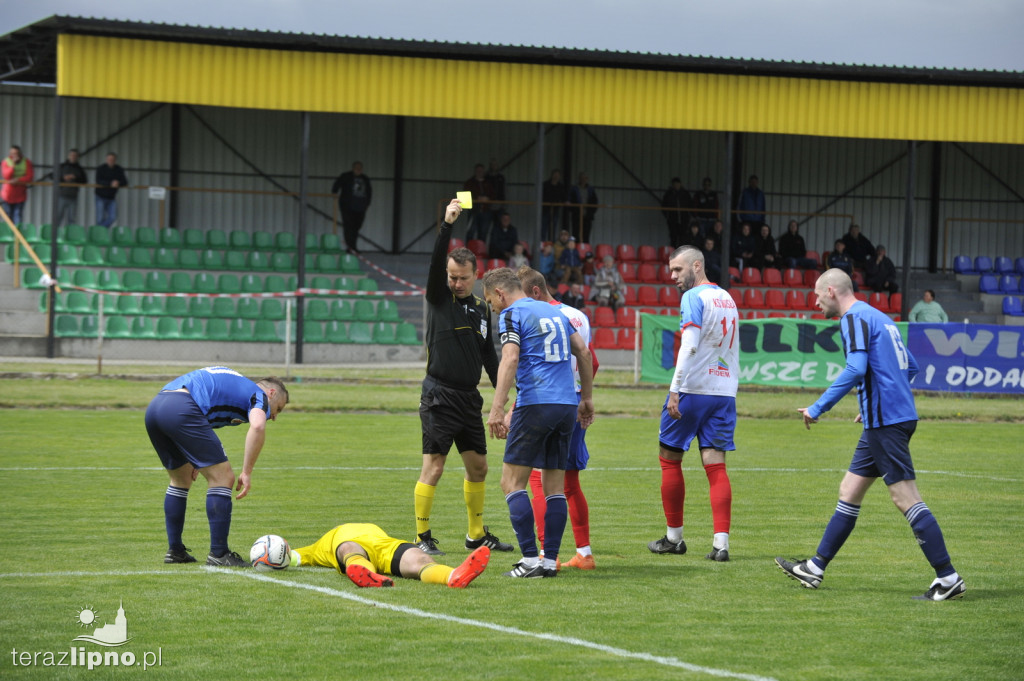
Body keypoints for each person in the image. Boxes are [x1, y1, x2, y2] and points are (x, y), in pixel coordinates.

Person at [777, 269, 964, 601]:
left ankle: (948, 577)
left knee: (905, 497)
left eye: (817, 294)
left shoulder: (851, 319)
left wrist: (818, 407)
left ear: (832, 291)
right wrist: (876, 398)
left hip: (887, 421)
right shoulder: (880, 318)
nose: (815, 301)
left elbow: (855, 369)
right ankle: (815, 567)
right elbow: (910, 365)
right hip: (887, 417)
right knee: (849, 489)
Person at [414, 198, 513, 557]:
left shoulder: (482, 308)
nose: (455, 282)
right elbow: (436, 262)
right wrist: (447, 224)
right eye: (451, 276)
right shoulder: (439, 298)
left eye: (462, 278)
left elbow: (489, 356)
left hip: (469, 398)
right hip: (439, 395)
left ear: (476, 276)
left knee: (479, 467)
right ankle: (422, 536)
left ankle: (475, 535)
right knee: (435, 467)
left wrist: (504, 397)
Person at [482, 267, 595, 578]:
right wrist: (586, 398)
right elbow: (583, 352)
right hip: (566, 407)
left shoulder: (511, 314)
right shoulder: (555, 312)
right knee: (554, 488)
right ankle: (549, 562)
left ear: (501, 294)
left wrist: (497, 407)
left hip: (535, 403)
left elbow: (510, 358)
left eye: (491, 300)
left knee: (511, 483)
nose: (492, 308)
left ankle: (530, 559)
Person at [145, 366, 289, 567]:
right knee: (223, 478)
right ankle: (219, 553)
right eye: (278, 409)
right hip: (183, 407)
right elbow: (257, 426)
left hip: (156, 407)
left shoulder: (236, 385)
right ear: (271, 394)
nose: (274, 416)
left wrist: (195, 458)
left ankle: (175, 550)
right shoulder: (259, 395)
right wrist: (246, 472)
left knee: (181, 479)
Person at [649, 246, 739, 562]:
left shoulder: (692, 298)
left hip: (693, 390)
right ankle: (721, 544)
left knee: (669, 460)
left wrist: (675, 390)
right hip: (724, 393)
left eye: (677, 270)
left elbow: (689, 345)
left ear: (696, 266)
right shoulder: (727, 298)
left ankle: (674, 538)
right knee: (716, 465)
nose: (672, 277)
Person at [516, 266, 600, 570]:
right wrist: (586, 397)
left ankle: (542, 552)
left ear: (535, 292)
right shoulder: (579, 316)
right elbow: (591, 358)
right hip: (575, 403)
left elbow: (531, 365)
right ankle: (585, 553)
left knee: (539, 479)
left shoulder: (534, 317)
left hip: (547, 402)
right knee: (571, 482)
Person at [290, 522, 489, 589]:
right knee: (348, 549)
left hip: (383, 545)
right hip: (355, 547)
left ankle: (452, 575)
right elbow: (289, 556)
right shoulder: (316, 548)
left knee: (419, 557)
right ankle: (367, 574)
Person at [331, 161, 373, 254]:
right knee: (348, 227)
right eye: (357, 168)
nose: (358, 170)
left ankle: (353, 246)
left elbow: (369, 192)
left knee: (356, 227)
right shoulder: (346, 176)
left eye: (360, 168)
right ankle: (350, 248)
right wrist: (334, 192)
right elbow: (337, 185)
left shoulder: (365, 179)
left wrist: (367, 204)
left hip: (361, 207)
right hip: (347, 206)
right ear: (353, 168)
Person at [463, 163, 496, 243]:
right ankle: (467, 252)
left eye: (481, 171)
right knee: (470, 232)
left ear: (484, 172)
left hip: (486, 211)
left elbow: (494, 195)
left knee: (483, 233)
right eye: (478, 171)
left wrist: (487, 199)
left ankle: (481, 252)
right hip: (474, 211)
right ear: (475, 171)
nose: (479, 172)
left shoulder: (489, 183)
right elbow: (464, 197)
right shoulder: (469, 182)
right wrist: (476, 199)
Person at [1, 145, 34, 224]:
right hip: (8, 195)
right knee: (8, 216)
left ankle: (16, 235)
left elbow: (29, 177)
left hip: (20, 195)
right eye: (12, 154)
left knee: (18, 215)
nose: (14, 156)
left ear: (20, 154)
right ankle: (8, 235)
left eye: (16, 153)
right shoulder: (6, 162)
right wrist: (13, 165)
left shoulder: (26, 162)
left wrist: (18, 180)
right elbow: (6, 176)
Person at [95, 152, 128, 228]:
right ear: (106, 160)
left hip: (111, 197)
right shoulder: (101, 169)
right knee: (99, 219)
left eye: (112, 159)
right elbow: (98, 181)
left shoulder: (119, 169)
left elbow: (125, 182)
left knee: (113, 217)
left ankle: (100, 230)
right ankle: (100, 235)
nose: (111, 161)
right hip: (100, 196)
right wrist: (110, 183)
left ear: (115, 160)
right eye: (109, 159)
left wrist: (118, 183)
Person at [56, 148, 88, 227]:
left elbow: (84, 181)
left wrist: (75, 177)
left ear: (77, 157)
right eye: (72, 155)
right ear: (69, 156)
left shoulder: (79, 168)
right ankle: (55, 236)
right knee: (58, 217)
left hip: (73, 196)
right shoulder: (62, 166)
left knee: (72, 218)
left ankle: (70, 237)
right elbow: (53, 176)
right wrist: (63, 178)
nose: (73, 157)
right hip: (62, 195)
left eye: (75, 156)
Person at [661, 177, 692, 248]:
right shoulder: (669, 194)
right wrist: (667, 216)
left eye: (677, 184)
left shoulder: (685, 193)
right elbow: (664, 206)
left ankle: (681, 254)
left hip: (684, 219)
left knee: (683, 237)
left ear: (680, 184)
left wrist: (689, 216)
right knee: (673, 237)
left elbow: (690, 205)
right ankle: (673, 253)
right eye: (674, 184)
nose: (676, 185)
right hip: (672, 219)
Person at [567, 172, 598, 243]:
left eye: (585, 178)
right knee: (575, 232)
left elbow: (595, 201)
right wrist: (572, 209)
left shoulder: (591, 189)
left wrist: (591, 211)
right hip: (577, 214)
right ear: (579, 179)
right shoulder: (574, 189)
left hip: (587, 215)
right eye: (581, 178)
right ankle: (575, 248)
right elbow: (569, 199)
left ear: (587, 179)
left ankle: (585, 249)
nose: (583, 180)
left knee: (586, 233)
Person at [541, 169, 567, 242]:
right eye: (555, 175)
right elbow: (541, 196)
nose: (556, 176)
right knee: (543, 228)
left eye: (557, 175)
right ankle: (542, 243)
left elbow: (563, 197)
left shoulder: (560, 186)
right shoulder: (545, 184)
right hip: (545, 209)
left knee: (552, 229)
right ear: (552, 175)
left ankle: (551, 244)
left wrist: (565, 201)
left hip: (555, 210)